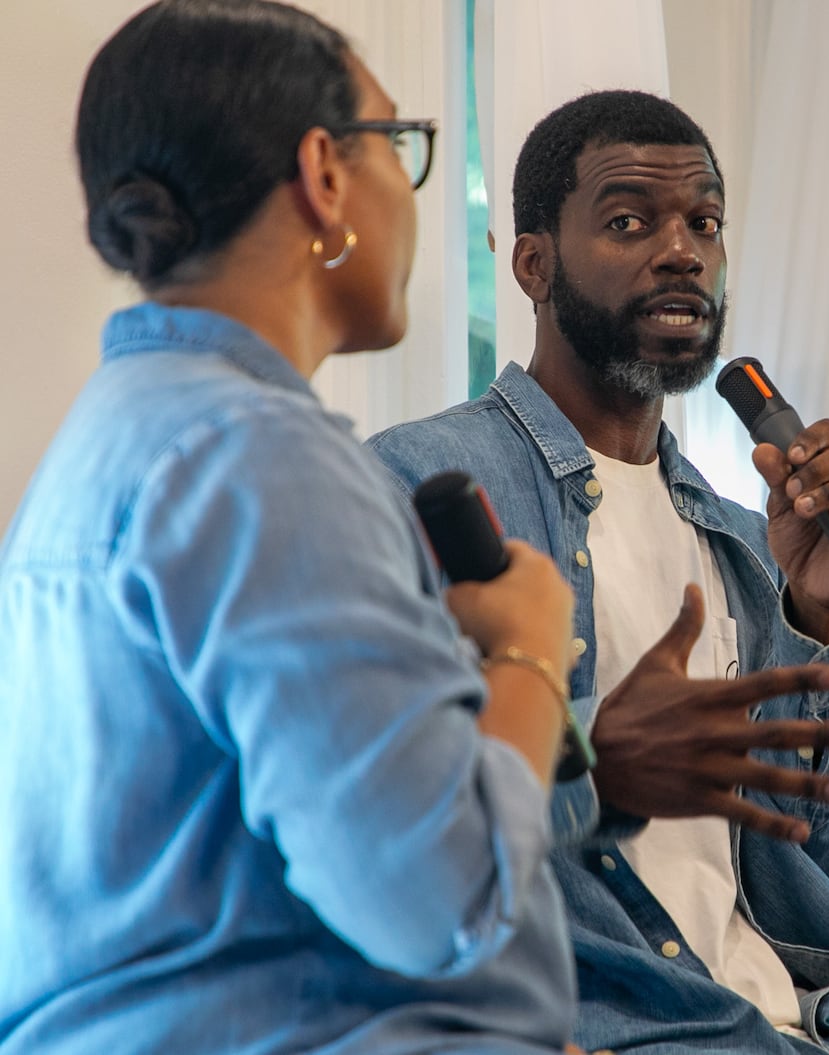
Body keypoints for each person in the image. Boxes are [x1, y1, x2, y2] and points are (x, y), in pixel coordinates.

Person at [0, 2, 583, 1052]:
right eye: (399, 145)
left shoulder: (113, 438)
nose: (412, 195)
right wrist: (529, 646)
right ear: (324, 172)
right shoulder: (258, 456)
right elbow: (440, 895)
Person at [367, 90, 829, 1054]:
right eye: (628, 221)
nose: (683, 249)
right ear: (533, 263)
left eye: (705, 222)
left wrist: (820, 612)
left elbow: (824, 858)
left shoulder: (743, 536)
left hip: (798, 1024)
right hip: (612, 1029)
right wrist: (596, 762)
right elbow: (396, 839)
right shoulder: (425, 484)